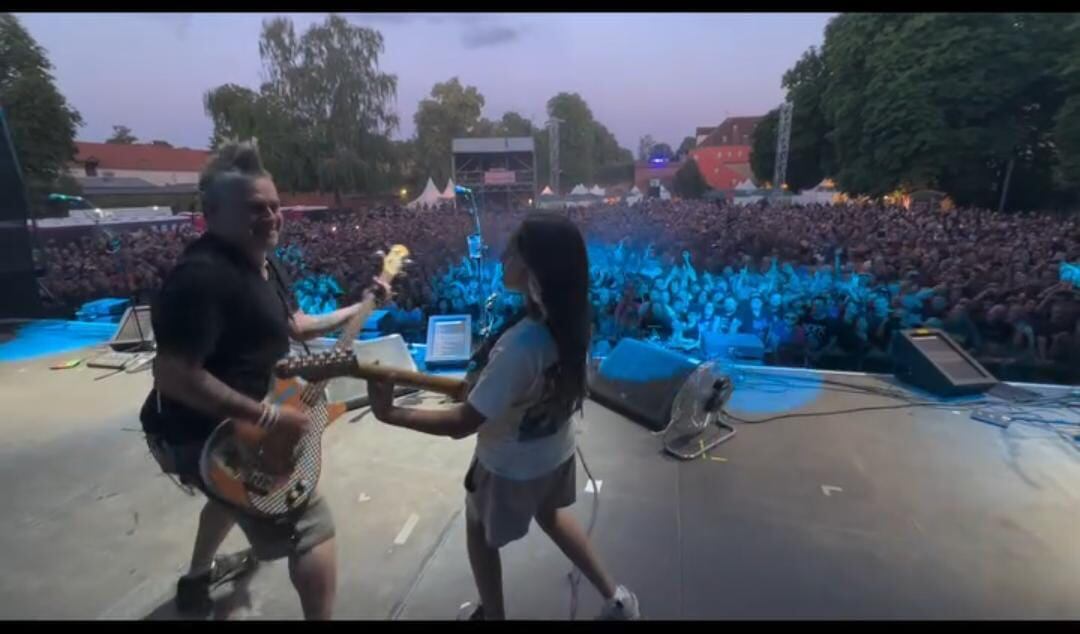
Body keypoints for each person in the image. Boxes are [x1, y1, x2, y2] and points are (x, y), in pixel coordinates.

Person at [364, 213, 640, 620]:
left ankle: (492, 615)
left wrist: (391, 413)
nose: (502, 256)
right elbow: (515, 389)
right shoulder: (575, 318)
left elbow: (463, 422)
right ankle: (618, 600)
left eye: (511, 250)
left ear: (532, 268)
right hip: (555, 452)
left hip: (510, 467)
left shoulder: (520, 346)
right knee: (549, 513)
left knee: (478, 528)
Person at [139, 141, 372, 619]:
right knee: (311, 526)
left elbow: (297, 326)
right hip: (199, 436)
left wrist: (364, 303)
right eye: (254, 209)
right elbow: (174, 375)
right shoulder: (201, 277)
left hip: (233, 426)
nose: (271, 217)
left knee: (229, 502)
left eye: (274, 207)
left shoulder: (263, 261)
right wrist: (266, 415)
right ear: (212, 213)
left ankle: (197, 578)